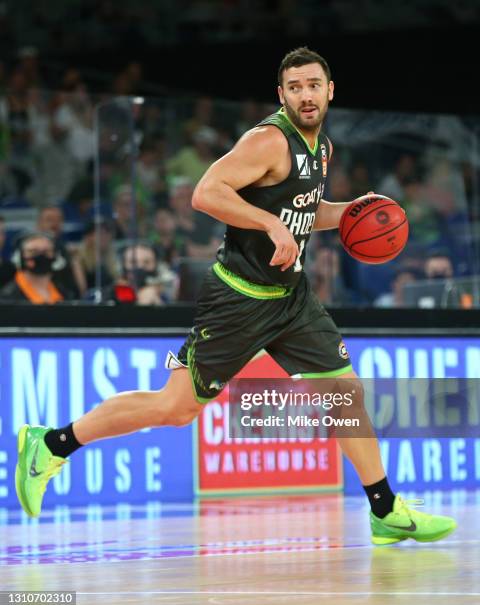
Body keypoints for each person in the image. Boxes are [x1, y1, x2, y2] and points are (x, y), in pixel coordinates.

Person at [15, 47, 456, 545]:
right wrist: (268, 223)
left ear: (330, 91)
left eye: (313, 85)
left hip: (290, 298)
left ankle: (385, 509)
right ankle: (51, 444)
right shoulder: (268, 140)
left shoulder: (322, 147)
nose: (305, 95)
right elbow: (207, 192)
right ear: (282, 95)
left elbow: (306, 211)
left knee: (344, 394)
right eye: (295, 87)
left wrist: (352, 211)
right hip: (240, 299)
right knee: (175, 409)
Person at [0, 232, 72, 303]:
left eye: (47, 251)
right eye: (33, 251)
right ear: (19, 257)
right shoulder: (7, 297)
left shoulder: (65, 293)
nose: (41, 256)